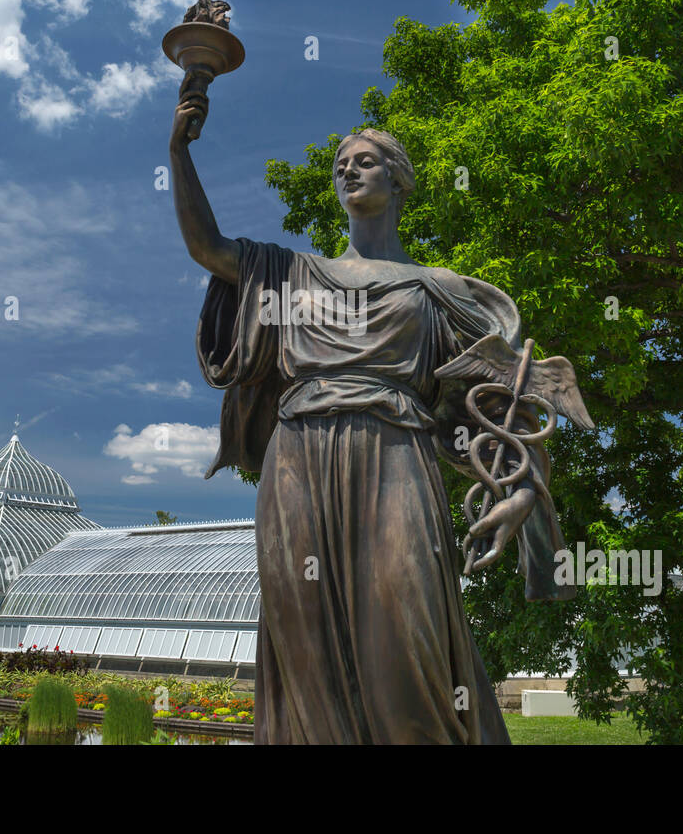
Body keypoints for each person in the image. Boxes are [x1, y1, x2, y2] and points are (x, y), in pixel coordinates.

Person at [170, 75, 570, 744]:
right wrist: (180, 150)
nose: (347, 171)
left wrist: (522, 491)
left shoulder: (435, 289)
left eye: (363, 160)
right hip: (299, 458)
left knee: (404, 635)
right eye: (339, 166)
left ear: (398, 179)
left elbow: (510, 402)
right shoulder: (290, 271)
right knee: (306, 644)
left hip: (396, 457)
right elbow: (207, 248)